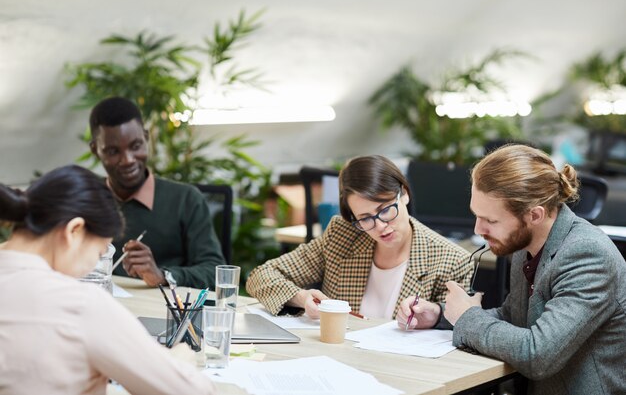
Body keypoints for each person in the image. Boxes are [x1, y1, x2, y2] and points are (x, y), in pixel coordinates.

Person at [0, 165, 215, 395]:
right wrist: (179, 361)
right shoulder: (80, 305)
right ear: (75, 231)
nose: (93, 266)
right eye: (99, 252)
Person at [443, 144, 626, 394]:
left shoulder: (587, 255)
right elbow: (515, 318)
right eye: (477, 215)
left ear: (535, 215)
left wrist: (467, 317)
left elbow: (537, 354)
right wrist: (442, 315)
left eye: (491, 220)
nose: (478, 230)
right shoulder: (525, 244)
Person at [246, 155, 471, 320]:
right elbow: (261, 276)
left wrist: (433, 319)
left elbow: (458, 327)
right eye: (365, 218)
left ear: (404, 194)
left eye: (385, 209)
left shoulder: (451, 260)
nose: (381, 226)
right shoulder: (343, 235)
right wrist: (301, 297)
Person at [89, 97, 225, 289]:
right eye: (113, 151)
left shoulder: (185, 200)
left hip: (165, 313)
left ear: (146, 137)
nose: (128, 160)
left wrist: (163, 275)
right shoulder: (85, 199)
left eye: (135, 146)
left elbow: (215, 271)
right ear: (96, 150)